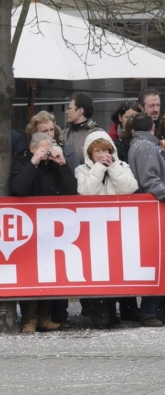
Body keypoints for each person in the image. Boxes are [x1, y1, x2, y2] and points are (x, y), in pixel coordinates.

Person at [10, 130, 77, 333]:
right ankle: (29, 319)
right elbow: (18, 188)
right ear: (32, 149)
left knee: (49, 271)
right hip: (28, 226)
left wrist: (63, 164)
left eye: (49, 150)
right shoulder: (21, 162)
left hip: (51, 227)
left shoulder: (55, 165)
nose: (47, 154)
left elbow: (71, 191)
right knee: (29, 273)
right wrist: (34, 162)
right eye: (42, 150)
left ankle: (44, 317)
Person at [74, 130, 138, 329]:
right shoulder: (81, 170)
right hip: (93, 229)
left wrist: (113, 168)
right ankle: (99, 312)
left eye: (105, 150)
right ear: (90, 153)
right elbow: (86, 191)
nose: (102, 154)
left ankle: (113, 309)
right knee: (96, 269)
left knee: (116, 267)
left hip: (118, 227)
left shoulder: (122, 166)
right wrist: (99, 169)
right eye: (97, 151)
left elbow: (129, 188)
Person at [128, 112, 165, 326]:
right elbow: (150, 181)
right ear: (153, 127)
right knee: (158, 262)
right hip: (153, 211)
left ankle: (154, 311)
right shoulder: (147, 147)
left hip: (146, 211)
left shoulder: (137, 145)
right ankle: (150, 312)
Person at [61, 92, 100, 170]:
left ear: (80, 111)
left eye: (69, 108)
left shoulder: (97, 135)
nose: (66, 111)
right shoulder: (63, 134)